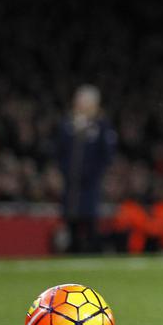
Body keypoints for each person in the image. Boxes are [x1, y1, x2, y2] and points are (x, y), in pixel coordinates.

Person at [56, 84, 117, 254]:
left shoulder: (101, 126)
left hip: (90, 184)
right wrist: (64, 171)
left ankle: (92, 251)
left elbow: (107, 154)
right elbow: (59, 151)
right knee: (71, 220)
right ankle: (73, 251)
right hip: (71, 184)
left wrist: (95, 172)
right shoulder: (68, 125)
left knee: (90, 220)